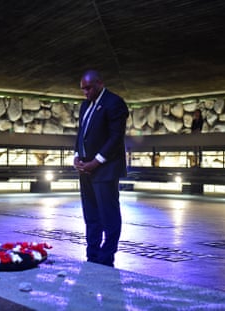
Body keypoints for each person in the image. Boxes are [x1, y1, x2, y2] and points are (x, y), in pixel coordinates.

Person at [73, 70, 129, 267]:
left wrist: (95, 162)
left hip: (104, 170)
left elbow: (115, 138)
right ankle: (93, 255)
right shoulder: (85, 105)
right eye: (83, 89)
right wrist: (77, 156)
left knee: (109, 215)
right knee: (91, 214)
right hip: (86, 169)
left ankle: (106, 257)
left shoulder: (114, 103)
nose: (85, 92)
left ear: (99, 83)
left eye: (88, 88)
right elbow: (81, 133)